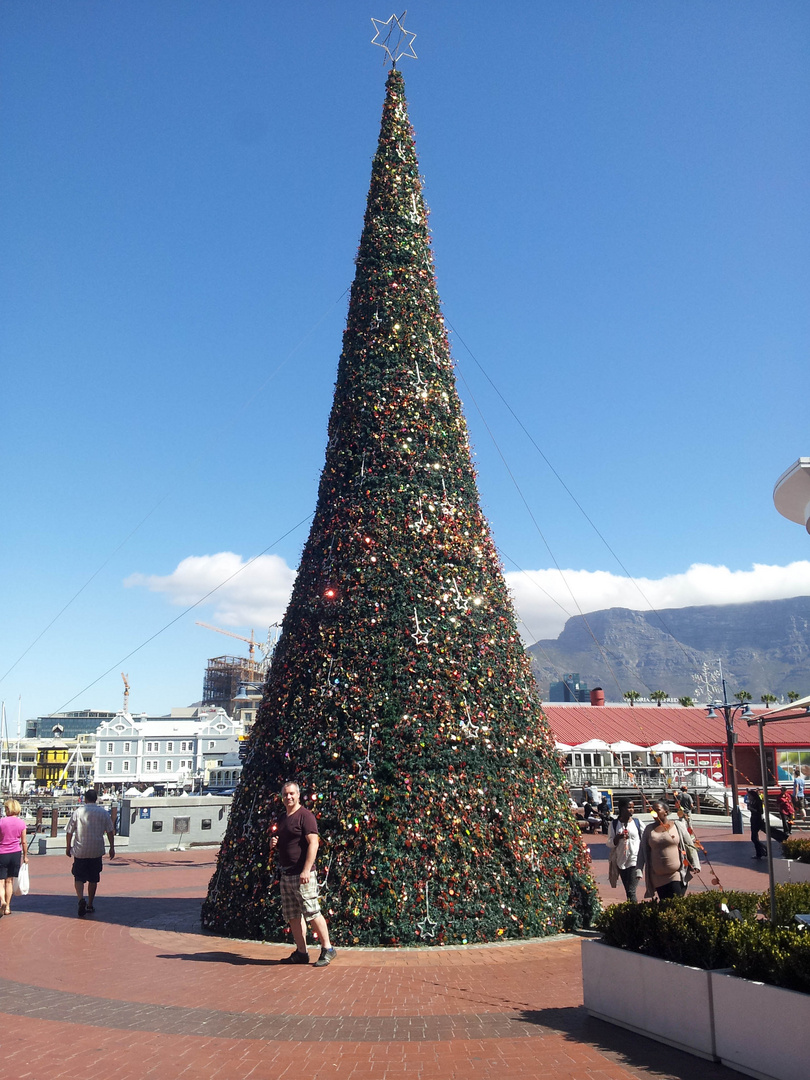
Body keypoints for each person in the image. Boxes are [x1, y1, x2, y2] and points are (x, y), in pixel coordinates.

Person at [270, 780, 336, 967]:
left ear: (298, 795)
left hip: (303, 875)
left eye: (292, 793)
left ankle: (328, 948)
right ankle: (301, 952)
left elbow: (313, 843)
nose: (288, 797)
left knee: (312, 911)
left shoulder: (305, 816)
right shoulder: (283, 819)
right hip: (287, 874)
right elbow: (286, 843)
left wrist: (307, 869)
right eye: (285, 794)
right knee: (293, 915)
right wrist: (274, 845)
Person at [65, 788, 115, 916]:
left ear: (85, 799)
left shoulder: (78, 812)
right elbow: (110, 831)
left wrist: (68, 847)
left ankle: (81, 898)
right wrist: (112, 847)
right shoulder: (103, 813)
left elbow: (69, 831)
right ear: (96, 799)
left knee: (78, 877)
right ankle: (90, 904)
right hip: (96, 850)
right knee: (93, 878)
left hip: (80, 850)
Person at [638, 799, 700, 900]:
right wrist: (638, 870)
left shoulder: (677, 826)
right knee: (666, 905)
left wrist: (695, 864)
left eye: (657, 810)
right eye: (652, 811)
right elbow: (642, 851)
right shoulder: (649, 829)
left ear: (666, 812)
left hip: (676, 874)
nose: (654, 813)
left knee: (676, 903)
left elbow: (690, 845)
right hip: (658, 877)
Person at [607, 798, 642, 902]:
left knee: (631, 890)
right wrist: (617, 838)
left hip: (635, 859)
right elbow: (609, 843)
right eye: (629, 807)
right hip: (621, 860)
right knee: (628, 890)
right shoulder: (614, 824)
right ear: (622, 808)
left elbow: (645, 838)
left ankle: (635, 913)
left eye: (633, 808)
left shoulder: (637, 823)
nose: (631, 810)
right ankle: (630, 912)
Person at [0, 799, 29, 916]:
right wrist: (25, 856)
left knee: (0, 880)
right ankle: (7, 907)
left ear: (8, 809)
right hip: (15, 853)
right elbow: (24, 842)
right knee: (9, 881)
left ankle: (1, 900)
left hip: (2, 853)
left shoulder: (1, 822)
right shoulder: (21, 823)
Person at [747, 787, 767, 859]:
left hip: (757, 819)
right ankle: (759, 852)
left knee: (754, 838)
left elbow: (760, 812)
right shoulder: (752, 802)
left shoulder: (758, 801)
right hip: (753, 819)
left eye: (749, 796)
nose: (749, 798)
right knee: (754, 837)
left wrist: (752, 809)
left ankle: (763, 849)